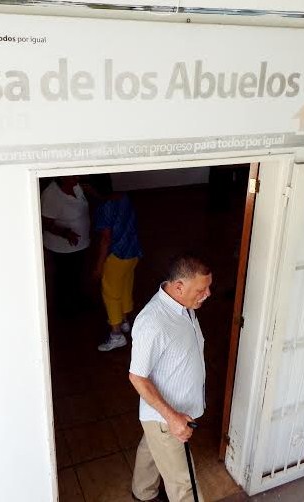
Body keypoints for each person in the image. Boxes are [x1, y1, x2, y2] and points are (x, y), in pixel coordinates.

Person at [129, 254, 212, 502]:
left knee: (151, 447)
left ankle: (142, 493)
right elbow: (137, 377)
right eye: (202, 289)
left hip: (166, 417)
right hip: (167, 417)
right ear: (179, 287)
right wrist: (172, 418)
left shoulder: (185, 307)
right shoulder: (153, 322)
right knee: (185, 486)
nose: (207, 294)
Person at [91, 174, 143, 352]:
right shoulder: (124, 197)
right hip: (133, 252)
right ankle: (125, 321)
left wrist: (99, 266)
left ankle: (116, 335)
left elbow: (105, 239)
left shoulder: (104, 207)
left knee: (111, 293)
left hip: (117, 256)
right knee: (125, 286)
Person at [41, 176, 91, 316]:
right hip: (62, 248)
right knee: (65, 278)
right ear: (62, 177)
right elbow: (45, 223)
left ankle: (78, 301)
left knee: (77, 274)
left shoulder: (75, 185)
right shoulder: (51, 195)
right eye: (73, 175)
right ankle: (65, 311)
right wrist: (65, 233)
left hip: (80, 244)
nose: (77, 176)